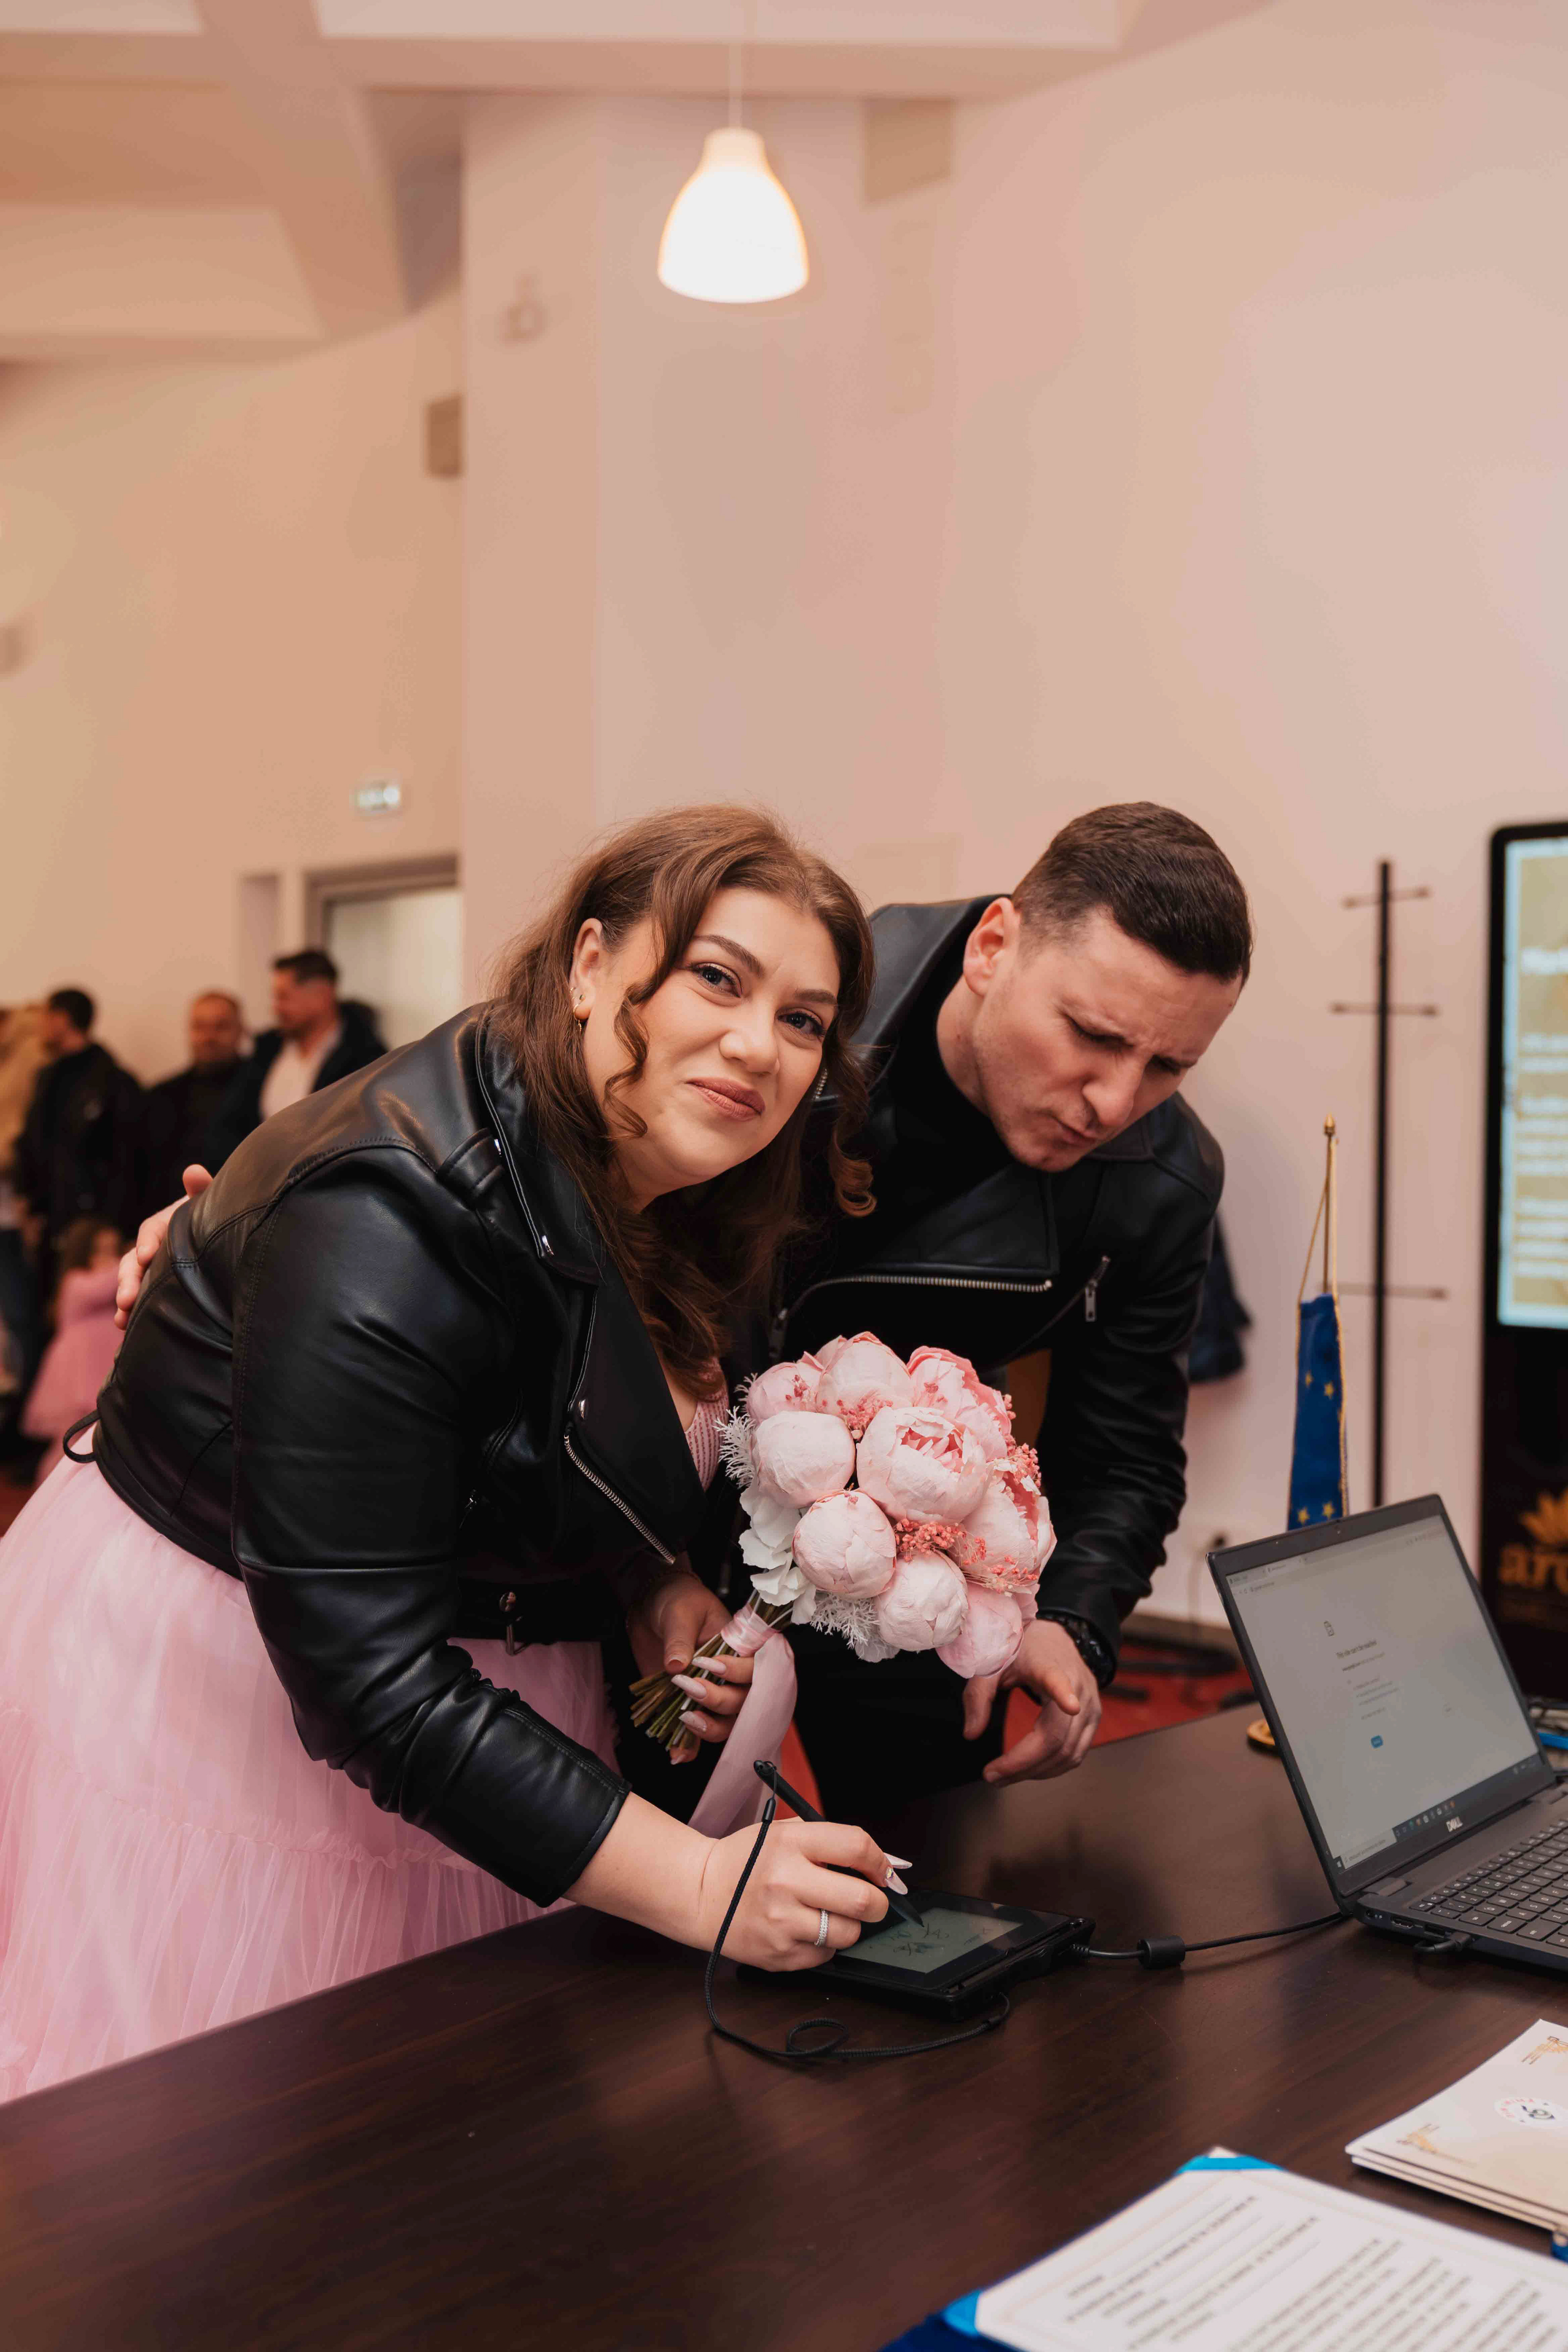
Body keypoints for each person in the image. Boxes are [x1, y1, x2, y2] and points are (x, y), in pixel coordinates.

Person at [0, 808, 898, 2102]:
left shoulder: (701, 1187)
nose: (759, 1044)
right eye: (716, 977)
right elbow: (364, 1675)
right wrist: (704, 1883)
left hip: (483, 1660)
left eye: (803, 1020)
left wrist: (649, 1578)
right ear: (590, 964)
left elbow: (563, 1433)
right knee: (228, 2128)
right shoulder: (387, 1205)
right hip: (244, 1674)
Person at [751, 802, 1252, 1817]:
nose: (1114, 1103)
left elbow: (1124, 1451)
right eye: (1092, 1035)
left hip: (912, 1534)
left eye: (1167, 1066)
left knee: (931, 1864)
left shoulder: (1162, 1177)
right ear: (992, 948)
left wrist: (1072, 1620)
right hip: (674, 1487)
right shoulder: (802, 1029)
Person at [204, 949, 385, 1163]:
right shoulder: (267, 1051)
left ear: (322, 995)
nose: (276, 1008)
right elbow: (230, 1124)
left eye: (284, 997)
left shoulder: (367, 1060)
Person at [13, 989, 142, 1270]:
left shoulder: (115, 1084)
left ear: (61, 1019)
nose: (39, 1027)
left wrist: (119, 1229)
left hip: (95, 1230)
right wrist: (29, 1204)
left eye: (45, 1017)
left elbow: (129, 1161)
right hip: (49, 1225)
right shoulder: (46, 1079)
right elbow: (32, 1144)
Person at [21, 1219, 123, 1485]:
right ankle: (52, 1492)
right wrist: (129, 1258)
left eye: (113, 1250)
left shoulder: (111, 1282)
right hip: (79, 1370)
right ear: (85, 1252)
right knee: (71, 1440)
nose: (109, 1257)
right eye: (102, 1250)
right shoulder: (75, 1281)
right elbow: (102, 1287)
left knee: (99, 1439)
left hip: (103, 1365)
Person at [137, 990, 247, 1216]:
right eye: (200, 1027)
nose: (209, 1037)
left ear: (240, 1030)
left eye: (220, 1027)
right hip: (172, 1218)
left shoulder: (262, 1089)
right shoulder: (161, 1096)